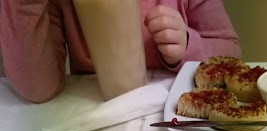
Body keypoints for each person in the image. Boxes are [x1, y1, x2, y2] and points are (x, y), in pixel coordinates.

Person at [0, 0, 241, 103]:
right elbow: (37, 88)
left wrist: (187, 46)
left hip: (175, 122)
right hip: (96, 121)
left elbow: (231, 54)